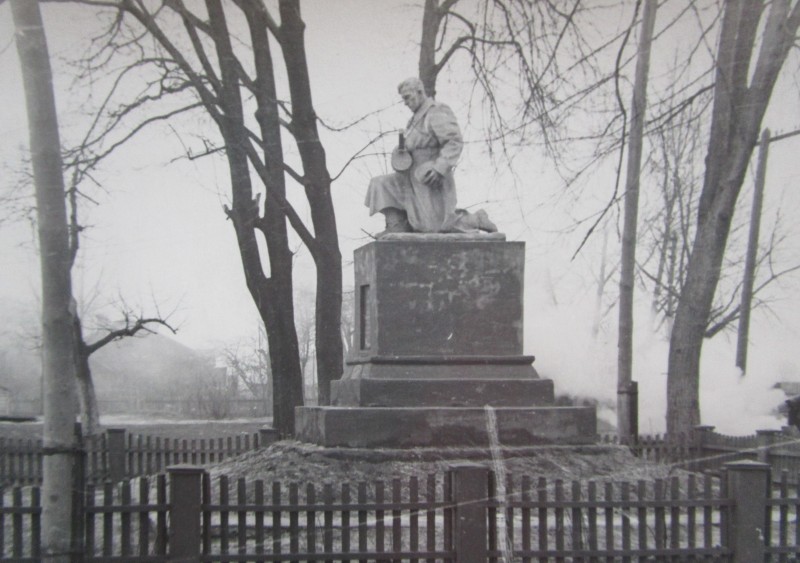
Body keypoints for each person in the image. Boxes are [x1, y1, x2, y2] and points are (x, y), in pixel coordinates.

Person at [365, 77, 497, 236]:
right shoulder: (413, 121)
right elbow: (412, 147)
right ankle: (398, 224)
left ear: (419, 92)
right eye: (403, 99)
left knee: (434, 227)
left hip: (429, 178)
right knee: (380, 184)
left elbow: (453, 142)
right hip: (409, 177)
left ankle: (476, 219)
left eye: (407, 97)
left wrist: (439, 168)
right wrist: (400, 151)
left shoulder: (436, 112)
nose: (405, 103)